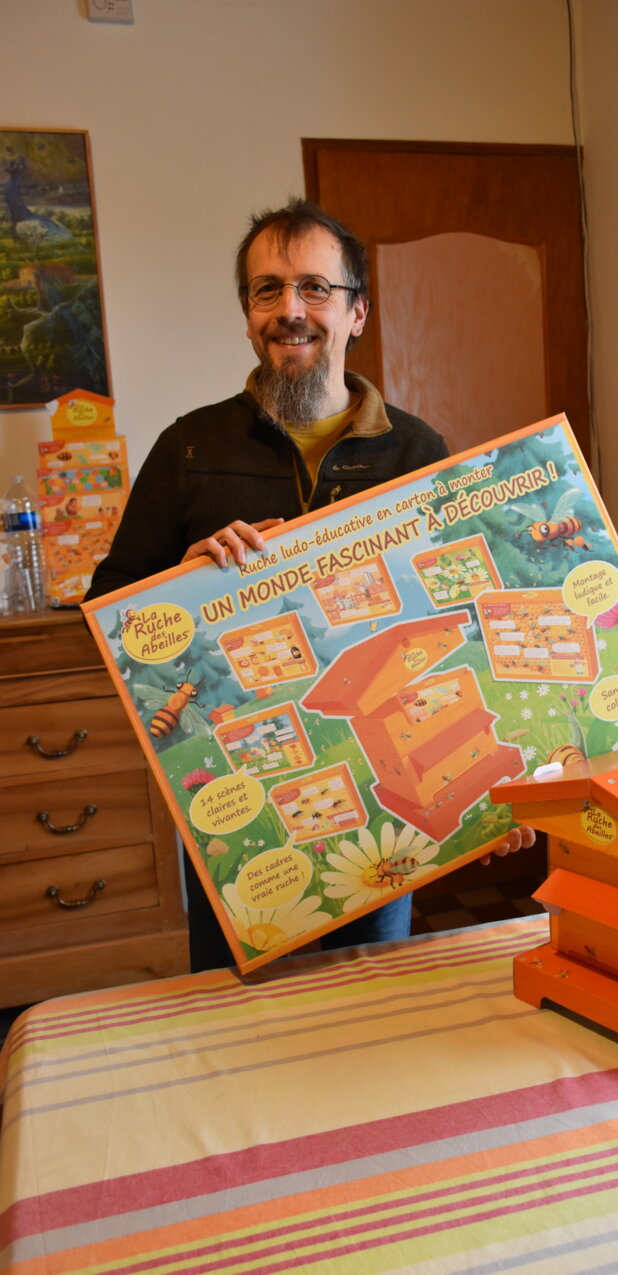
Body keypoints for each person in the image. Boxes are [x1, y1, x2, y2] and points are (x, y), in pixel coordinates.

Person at [87, 197, 534, 969]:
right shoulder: (188, 449)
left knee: (370, 995)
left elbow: (469, 613)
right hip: (241, 809)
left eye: (314, 288)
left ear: (357, 312)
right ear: (248, 315)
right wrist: (180, 582)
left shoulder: (417, 452)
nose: (290, 309)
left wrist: (495, 792)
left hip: (385, 793)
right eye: (268, 290)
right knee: (239, 1002)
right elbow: (108, 607)